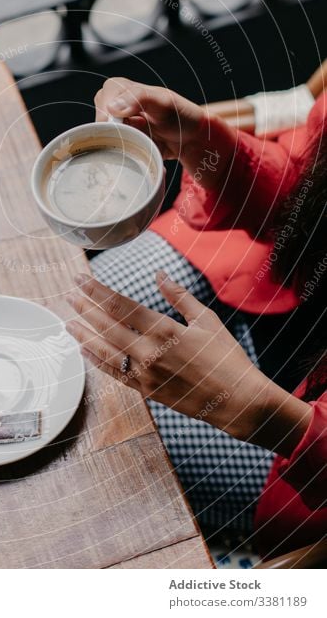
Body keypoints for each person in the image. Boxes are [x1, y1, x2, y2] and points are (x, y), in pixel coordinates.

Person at [65, 77, 326, 558]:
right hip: (265, 273)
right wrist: (205, 145)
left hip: (296, 455)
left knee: (92, 457)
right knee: (72, 330)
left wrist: (266, 414)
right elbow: (308, 187)